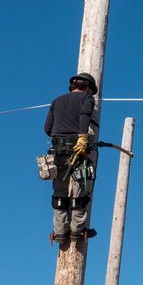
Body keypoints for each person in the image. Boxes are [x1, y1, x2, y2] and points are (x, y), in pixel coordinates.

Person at [43, 73, 99, 245]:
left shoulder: (56, 101)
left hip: (57, 151)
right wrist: (82, 137)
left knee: (59, 191)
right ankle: (77, 229)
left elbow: (47, 128)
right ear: (88, 87)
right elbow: (84, 116)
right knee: (79, 190)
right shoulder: (87, 99)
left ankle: (59, 231)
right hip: (77, 150)